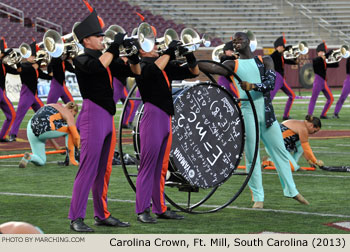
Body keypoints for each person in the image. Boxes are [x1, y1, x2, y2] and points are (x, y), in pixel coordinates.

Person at [199, 32, 309, 209]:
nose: (236, 43)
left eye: (240, 39)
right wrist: (190, 60)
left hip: (267, 112)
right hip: (248, 112)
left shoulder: (265, 60)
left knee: (280, 151)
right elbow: (210, 68)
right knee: (252, 155)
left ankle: (292, 190)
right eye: (234, 41)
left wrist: (253, 86)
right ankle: (258, 197)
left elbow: (270, 84)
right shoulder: (232, 64)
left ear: (248, 42)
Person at [68, 9, 140, 232]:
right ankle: (76, 218)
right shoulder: (80, 59)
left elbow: (134, 72)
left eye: (102, 36)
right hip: (92, 114)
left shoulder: (107, 57)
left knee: (105, 169)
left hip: (107, 116)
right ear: (86, 40)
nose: (102, 38)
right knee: (88, 168)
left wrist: (135, 54)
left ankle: (102, 214)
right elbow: (98, 66)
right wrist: (113, 47)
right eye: (98, 36)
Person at [135, 38, 199, 223]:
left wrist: (189, 55)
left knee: (162, 168)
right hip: (153, 116)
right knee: (148, 166)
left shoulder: (163, 65)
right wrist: (169, 52)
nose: (156, 47)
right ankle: (142, 210)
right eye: (152, 45)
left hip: (166, 118)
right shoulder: (141, 66)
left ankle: (160, 207)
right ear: (142, 50)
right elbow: (154, 70)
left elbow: (193, 72)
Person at [8, 42, 52, 142]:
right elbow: (25, 69)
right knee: (19, 115)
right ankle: (12, 134)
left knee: (43, 113)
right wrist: (39, 61)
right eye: (32, 56)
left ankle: (47, 132)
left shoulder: (36, 67)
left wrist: (51, 65)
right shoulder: (24, 65)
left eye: (34, 56)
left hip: (34, 95)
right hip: (26, 94)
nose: (33, 57)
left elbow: (48, 76)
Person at [18, 102, 79, 168]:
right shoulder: (68, 114)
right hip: (43, 128)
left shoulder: (53, 105)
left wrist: (57, 148)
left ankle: (29, 157)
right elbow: (76, 137)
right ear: (71, 110)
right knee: (70, 131)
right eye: (74, 115)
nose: (73, 117)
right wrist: (77, 148)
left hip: (31, 128)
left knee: (41, 160)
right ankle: (71, 160)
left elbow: (47, 131)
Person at [308, 41, 339, 119]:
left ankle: (323, 114)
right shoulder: (316, 60)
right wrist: (327, 54)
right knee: (313, 99)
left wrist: (337, 57)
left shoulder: (325, 61)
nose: (322, 53)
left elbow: (336, 65)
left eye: (323, 52)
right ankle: (309, 115)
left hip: (323, 82)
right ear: (317, 53)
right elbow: (318, 60)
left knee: (331, 98)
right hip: (318, 81)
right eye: (320, 52)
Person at [270, 34, 297, 120]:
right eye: (281, 46)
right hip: (277, 78)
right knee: (269, 98)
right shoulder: (274, 55)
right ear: (277, 47)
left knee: (292, 95)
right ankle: (264, 114)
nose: (283, 48)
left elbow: (291, 61)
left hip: (281, 79)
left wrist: (295, 56)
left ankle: (286, 115)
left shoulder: (281, 55)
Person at [0, 38, 21, 142]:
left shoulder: (4, 65)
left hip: (2, 93)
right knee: (12, 114)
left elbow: (17, 72)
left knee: (12, 114)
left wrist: (18, 62)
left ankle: (2, 136)